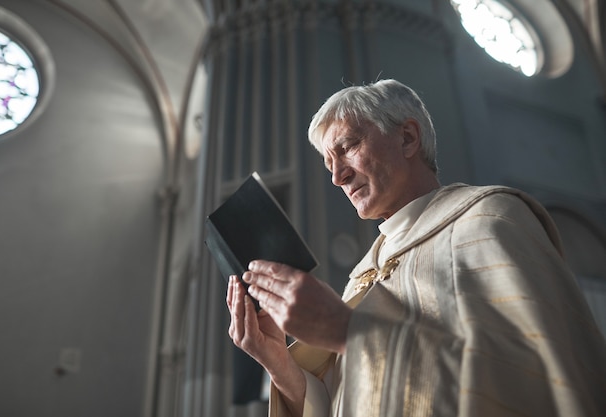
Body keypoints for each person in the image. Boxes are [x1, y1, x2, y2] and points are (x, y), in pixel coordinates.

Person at [226, 79, 606, 417]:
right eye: (329, 165)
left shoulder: (491, 219)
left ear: (408, 138)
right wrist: (278, 362)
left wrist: (348, 331)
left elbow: (536, 377)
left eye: (347, 147)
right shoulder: (362, 273)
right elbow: (351, 401)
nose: (338, 177)